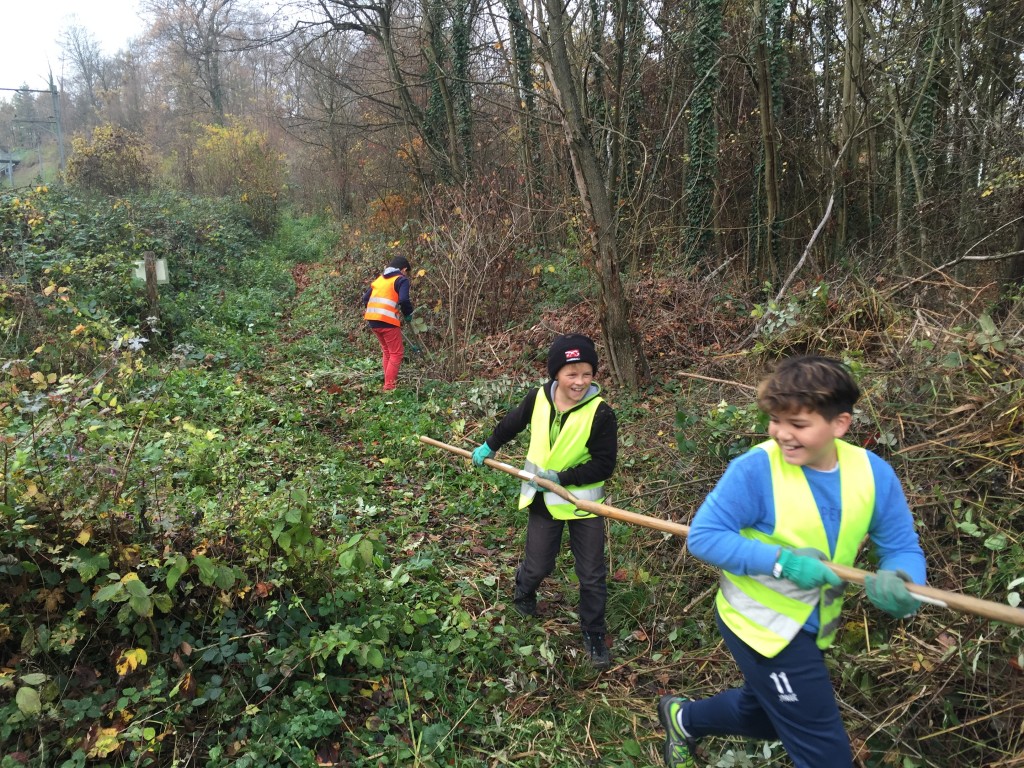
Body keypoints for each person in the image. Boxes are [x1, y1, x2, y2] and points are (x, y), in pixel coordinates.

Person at [658, 355, 926, 768]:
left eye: (798, 425)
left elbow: (900, 545)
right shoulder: (755, 470)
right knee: (825, 753)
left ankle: (683, 718)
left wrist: (904, 578)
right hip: (761, 626)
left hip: (815, 623)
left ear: (839, 424)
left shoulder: (874, 474)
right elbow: (705, 537)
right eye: (775, 421)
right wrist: (783, 563)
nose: (782, 434)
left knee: (768, 717)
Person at [471, 334, 618, 669]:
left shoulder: (601, 414)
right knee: (538, 565)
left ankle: (594, 633)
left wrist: (562, 478)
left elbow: (604, 463)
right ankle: (524, 590)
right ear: (556, 374)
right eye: (571, 374)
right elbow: (513, 422)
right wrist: (491, 444)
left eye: (586, 373)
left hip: (583, 506)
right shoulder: (538, 398)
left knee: (592, 575)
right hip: (542, 501)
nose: (580, 381)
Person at [361, 256, 414, 391]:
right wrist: (408, 314)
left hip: (372, 320)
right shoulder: (401, 280)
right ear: (404, 269)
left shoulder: (380, 279)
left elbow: (365, 298)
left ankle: (387, 382)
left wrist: (375, 312)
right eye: (406, 272)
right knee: (396, 353)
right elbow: (404, 300)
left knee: (387, 351)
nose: (406, 274)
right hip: (387, 321)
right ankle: (389, 386)